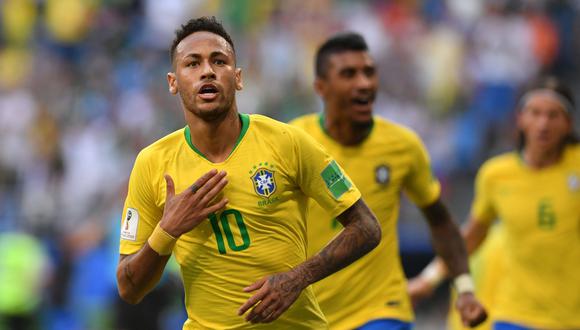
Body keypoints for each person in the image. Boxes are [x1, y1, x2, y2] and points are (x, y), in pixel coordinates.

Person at [116, 17, 382, 330]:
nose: (207, 71)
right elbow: (129, 288)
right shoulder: (152, 163)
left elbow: (366, 227)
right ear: (173, 82)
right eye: (192, 63)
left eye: (219, 61)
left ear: (238, 78)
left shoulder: (287, 143)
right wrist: (168, 230)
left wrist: (297, 278)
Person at [289, 32, 486, 330]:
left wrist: (465, 287)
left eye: (369, 72)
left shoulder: (402, 145)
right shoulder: (292, 142)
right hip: (312, 314)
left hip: (381, 308)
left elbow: (441, 221)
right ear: (321, 87)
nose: (364, 83)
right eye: (349, 74)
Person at [409, 77, 580, 330]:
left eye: (553, 115)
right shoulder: (496, 175)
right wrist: (430, 278)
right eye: (535, 113)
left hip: (569, 319)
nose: (543, 124)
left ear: (568, 124)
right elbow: (471, 236)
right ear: (520, 118)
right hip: (513, 315)